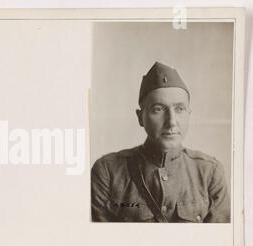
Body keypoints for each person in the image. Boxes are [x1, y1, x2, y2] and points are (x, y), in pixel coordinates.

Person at [91, 61, 230, 223]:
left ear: (189, 115)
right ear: (140, 117)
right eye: (158, 109)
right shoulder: (108, 172)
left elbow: (218, 244)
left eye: (179, 109)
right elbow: (100, 243)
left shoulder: (209, 173)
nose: (171, 122)